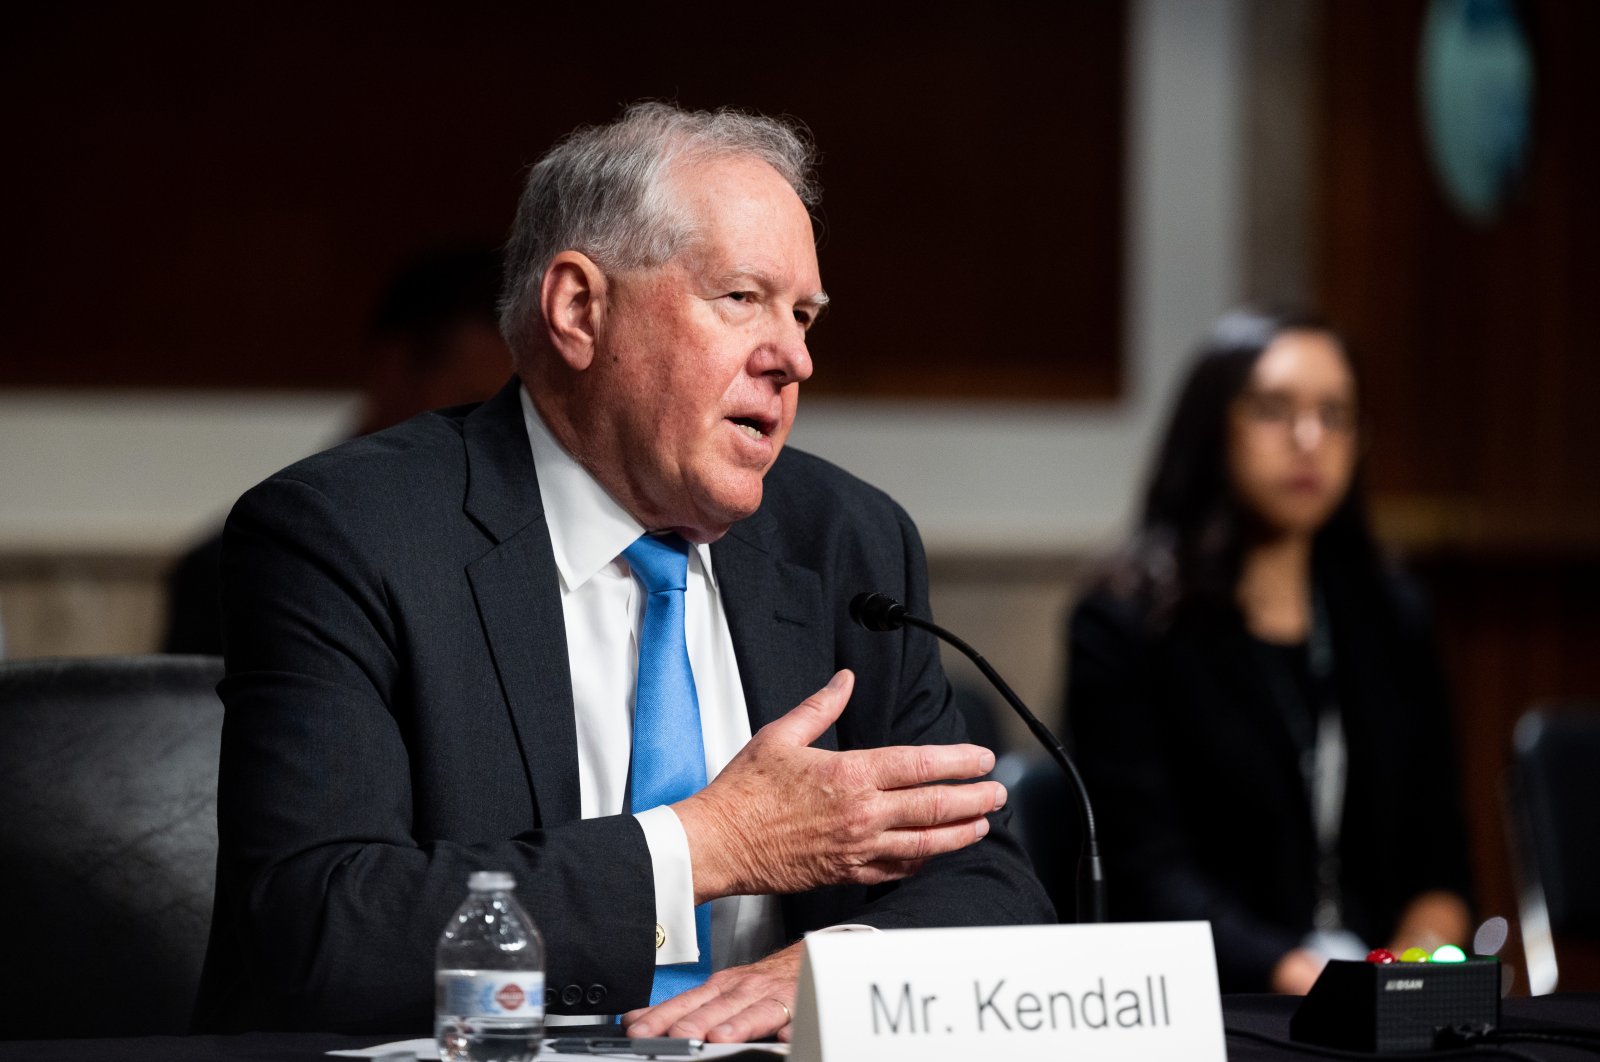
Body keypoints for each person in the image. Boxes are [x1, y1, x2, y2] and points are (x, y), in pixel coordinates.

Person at [197, 103, 1052, 1039]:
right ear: (579, 310)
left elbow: (986, 876)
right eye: (742, 299)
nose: (795, 358)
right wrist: (706, 845)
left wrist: (841, 965)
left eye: (804, 315)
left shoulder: (846, 540)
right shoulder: (350, 534)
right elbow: (317, 930)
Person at [1064, 307, 1473, 994]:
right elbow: (1147, 875)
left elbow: (1444, 864)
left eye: (1335, 414)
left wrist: (1410, 970)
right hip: (1220, 993)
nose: (1309, 438)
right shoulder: (1125, 624)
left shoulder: (1391, 616)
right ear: (1213, 425)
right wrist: (1309, 980)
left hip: (1380, 990)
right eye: (1274, 409)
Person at [162, 245, 510, 655]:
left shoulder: (531, 560)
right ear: (394, 371)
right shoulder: (236, 568)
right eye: (473, 406)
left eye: (513, 415)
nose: (497, 437)